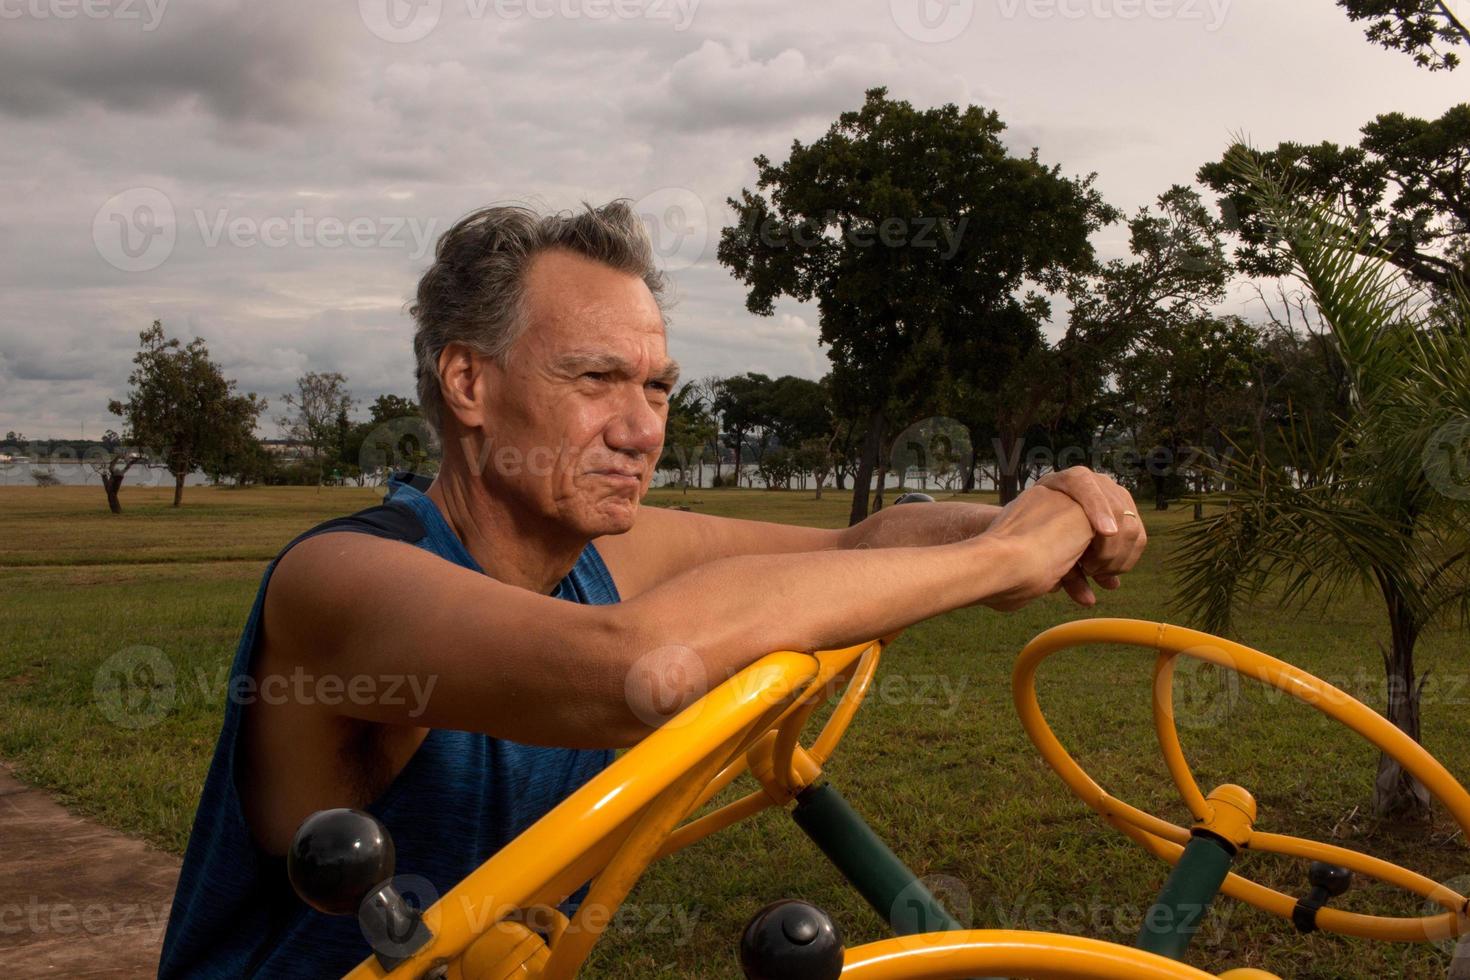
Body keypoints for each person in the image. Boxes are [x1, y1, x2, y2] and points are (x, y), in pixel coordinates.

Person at [158, 201, 1146, 977]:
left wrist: (1048, 513)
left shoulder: (596, 560)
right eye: (596, 380)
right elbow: (636, 668)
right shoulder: (338, 581)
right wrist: (1000, 562)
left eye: (659, 387)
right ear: (468, 383)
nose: (641, 429)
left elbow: (859, 539)